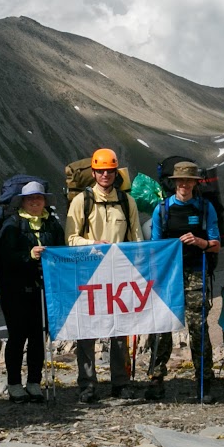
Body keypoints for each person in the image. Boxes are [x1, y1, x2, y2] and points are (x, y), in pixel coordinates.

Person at [64, 148, 143, 402]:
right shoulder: (81, 201)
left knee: (120, 330)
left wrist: (138, 266)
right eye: (101, 171)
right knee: (86, 331)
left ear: (115, 172)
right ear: (94, 172)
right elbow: (70, 238)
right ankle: (87, 384)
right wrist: (92, 244)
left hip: (118, 274)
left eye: (110, 170)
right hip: (88, 274)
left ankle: (120, 382)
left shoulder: (126, 201)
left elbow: (136, 238)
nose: (105, 175)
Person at [145, 161, 222, 402]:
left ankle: (203, 380)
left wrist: (201, 243)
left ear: (195, 183)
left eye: (189, 180)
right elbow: (155, 248)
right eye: (180, 180)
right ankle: (156, 379)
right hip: (168, 275)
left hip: (196, 272)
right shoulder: (162, 210)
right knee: (162, 327)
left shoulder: (204, 208)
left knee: (198, 327)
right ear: (174, 182)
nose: (184, 184)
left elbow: (216, 243)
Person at [0, 180, 66, 402]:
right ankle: (14, 383)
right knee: (17, 337)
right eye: (30, 199)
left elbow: (61, 252)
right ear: (22, 202)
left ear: (44, 200)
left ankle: (34, 381)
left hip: (43, 290)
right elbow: (5, 259)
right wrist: (29, 256)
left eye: (39, 198)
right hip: (15, 290)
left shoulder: (52, 224)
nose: (35, 202)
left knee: (37, 337)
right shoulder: (12, 225)